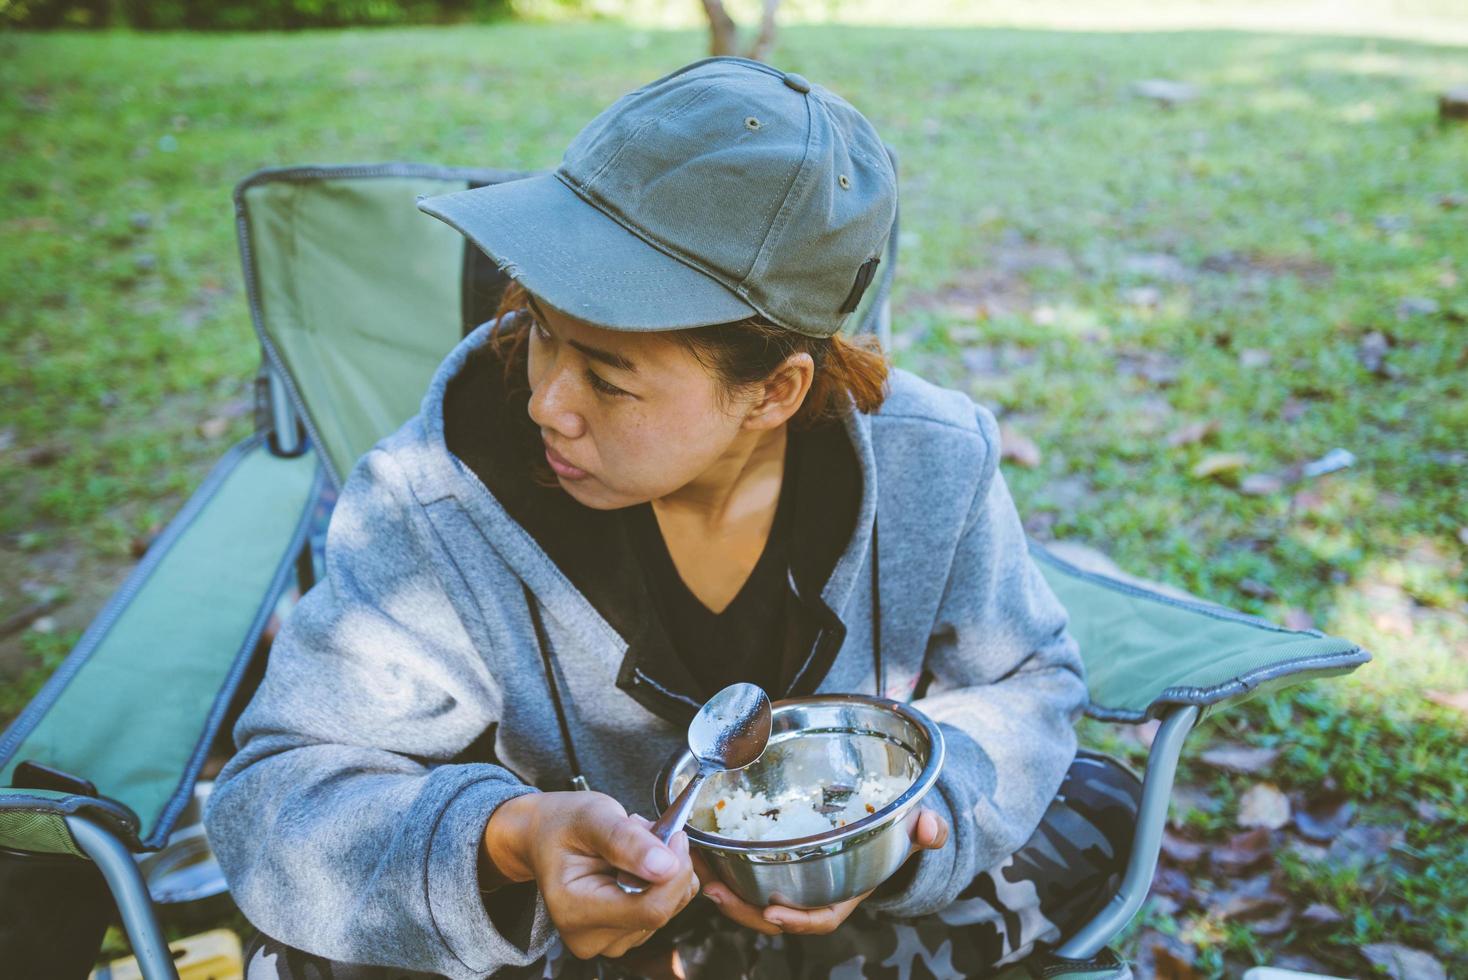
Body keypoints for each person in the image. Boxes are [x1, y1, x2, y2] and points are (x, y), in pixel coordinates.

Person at [205, 56, 1141, 980]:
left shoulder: (934, 462)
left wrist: (902, 835)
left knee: (1100, 805)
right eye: (536, 328)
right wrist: (504, 841)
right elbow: (277, 799)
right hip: (568, 929)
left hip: (835, 913)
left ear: (774, 391)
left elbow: (1025, 678)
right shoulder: (434, 499)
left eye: (610, 378)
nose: (547, 404)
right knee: (316, 955)